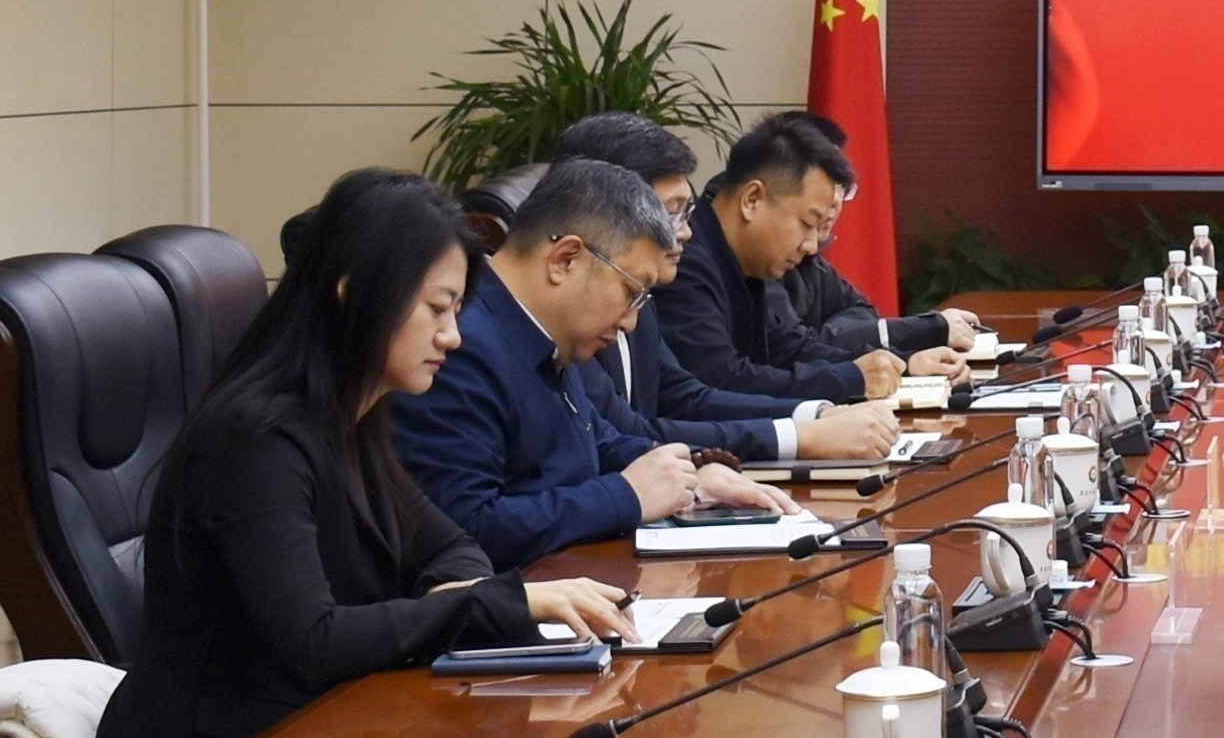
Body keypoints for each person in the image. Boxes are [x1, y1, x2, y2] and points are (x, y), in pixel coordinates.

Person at [90, 168, 637, 738]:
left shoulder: (352, 418)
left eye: (456, 311)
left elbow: (452, 546)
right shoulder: (256, 440)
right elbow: (314, 641)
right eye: (436, 309)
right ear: (354, 294)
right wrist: (497, 602)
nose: (452, 336)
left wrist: (459, 588)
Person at [387, 157, 793, 569]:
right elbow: (468, 529)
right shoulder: (460, 347)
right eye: (631, 292)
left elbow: (597, 441)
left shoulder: (539, 331)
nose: (631, 322)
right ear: (565, 259)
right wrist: (626, 496)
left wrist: (692, 469)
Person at [547, 112, 898, 464]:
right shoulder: (562, 314)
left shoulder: (647, 292)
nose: (684, 231)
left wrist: (814, 415)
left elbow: (684, 397)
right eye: (670, 214)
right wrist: (800, 436)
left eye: (685, 212)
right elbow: (630, 433)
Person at [656, 113, 951, 407]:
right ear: (752, 200)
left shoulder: (742, 261)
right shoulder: (684, 263)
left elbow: (785, 350)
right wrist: (849, 380)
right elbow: (721, 380)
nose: (811, 247)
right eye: (807, 223)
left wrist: (901, 364)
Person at [778, 110, 980, 362]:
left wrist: (905, 360)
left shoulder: (810, 258)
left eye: (841, 187)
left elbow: (859, 311)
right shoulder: (758, 265)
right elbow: (795, 351)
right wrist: (923, 335)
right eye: (825, 186)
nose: (834, 202)